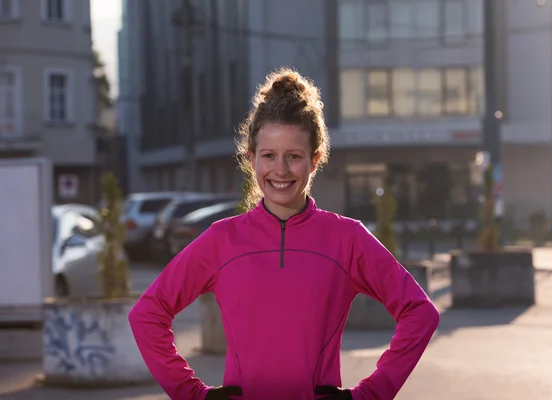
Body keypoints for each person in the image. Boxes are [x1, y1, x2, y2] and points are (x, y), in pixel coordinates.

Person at [129, 67, 440, 400]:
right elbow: (147, 314)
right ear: (252, 159)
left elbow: (420, 313)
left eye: (294, 156)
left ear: (315, 160)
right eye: (269, 156)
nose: (280, 170)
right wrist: (193, 394)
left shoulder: (347, 238)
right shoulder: (222, 240)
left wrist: (369, 395)